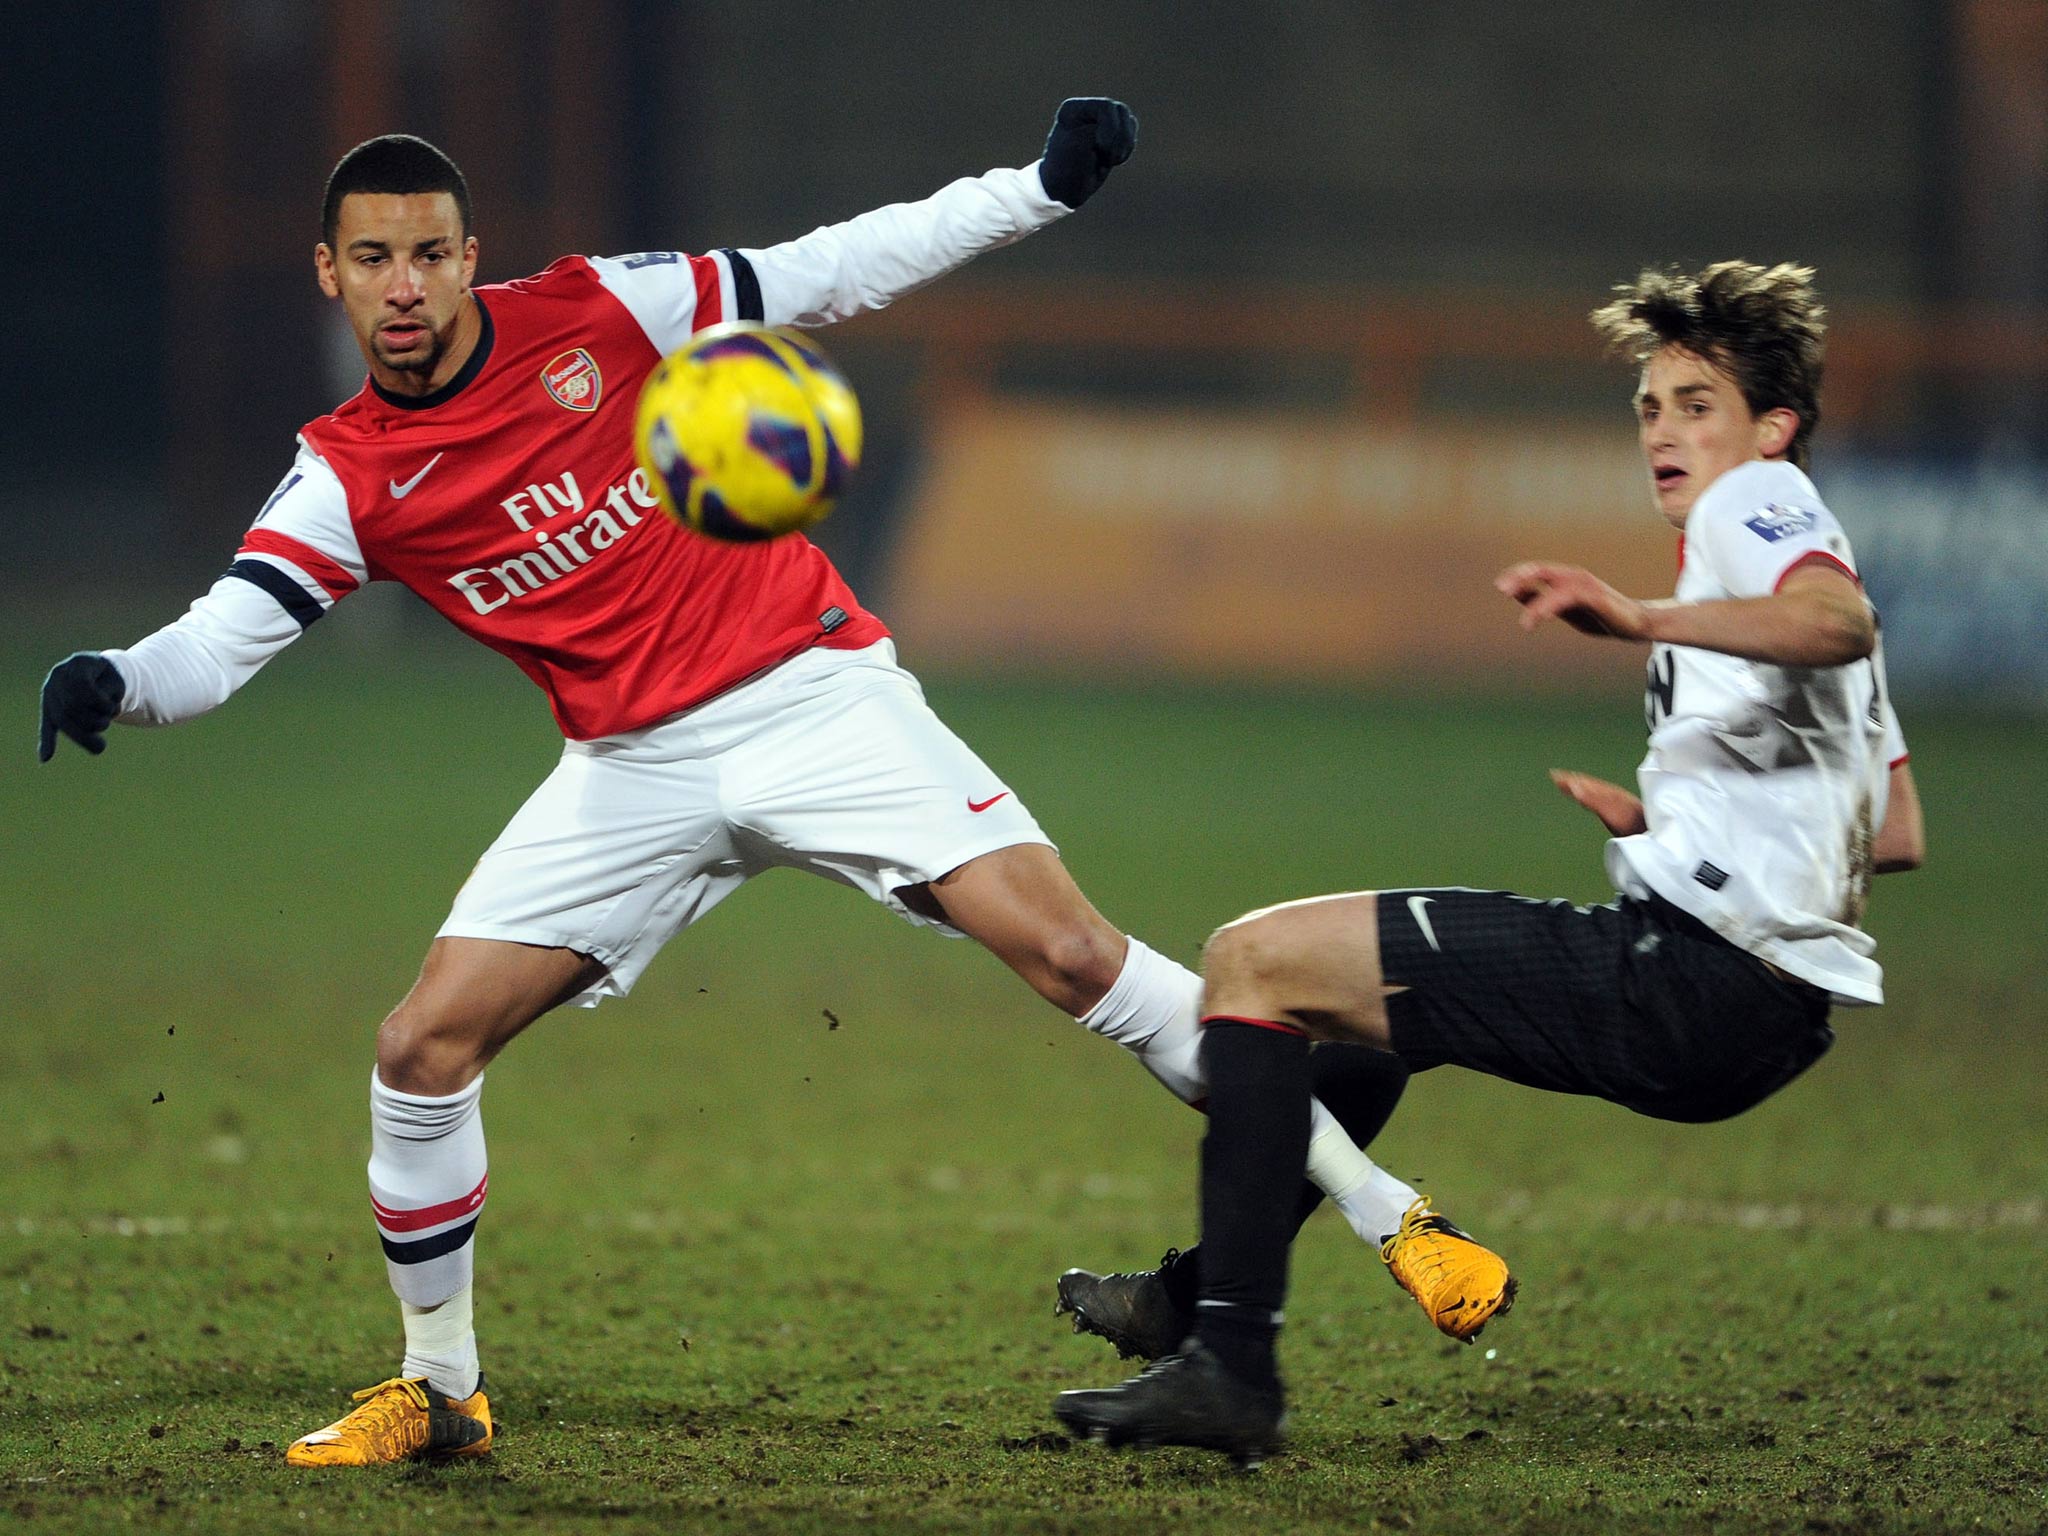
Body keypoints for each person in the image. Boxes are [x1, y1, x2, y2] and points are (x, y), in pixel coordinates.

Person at [34, 105, 1428, 1468]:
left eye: (432, 254)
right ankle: (441, 1388)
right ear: (329, 272)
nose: (406, 287)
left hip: (813, 698)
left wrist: (1037, 192)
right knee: (420, 1050)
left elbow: (824, 268)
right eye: (376, 260)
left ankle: (1390, 1216)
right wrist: (117, 676)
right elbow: (221, 637)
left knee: (1070, 953)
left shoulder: (600, 314)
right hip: (628, 771)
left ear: (472, 256)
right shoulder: (347, 474)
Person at [1050, 260, 1926, 1466]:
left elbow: (1833, 620)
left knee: (1248, 961)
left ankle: (1228, 1370)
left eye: (1694, 404)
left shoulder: (1754, 509)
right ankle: (1192, 1304)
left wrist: (1631, 616)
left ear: (1772, 429)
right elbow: (1892, 836)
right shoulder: (1763, 578)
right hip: (1766, 1016)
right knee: (1351, 1026)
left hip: (1684, 980)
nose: (1661, 432)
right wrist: (1665, 831)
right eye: (1647, 407)